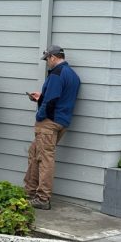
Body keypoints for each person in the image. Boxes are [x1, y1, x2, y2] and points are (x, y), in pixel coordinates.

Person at [24, 45, 81, 210]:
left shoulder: (56, 74)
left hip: (49, 122)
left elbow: (52, 100)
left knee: (44, 159)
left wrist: (40, 116)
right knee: (35, 153)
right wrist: (41, 97)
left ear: (53, 57)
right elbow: (59, 97)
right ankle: (30, 191)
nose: (47, 63)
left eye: (47, 59)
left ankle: (43, 198)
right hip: (62, 121)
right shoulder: (72, 75)